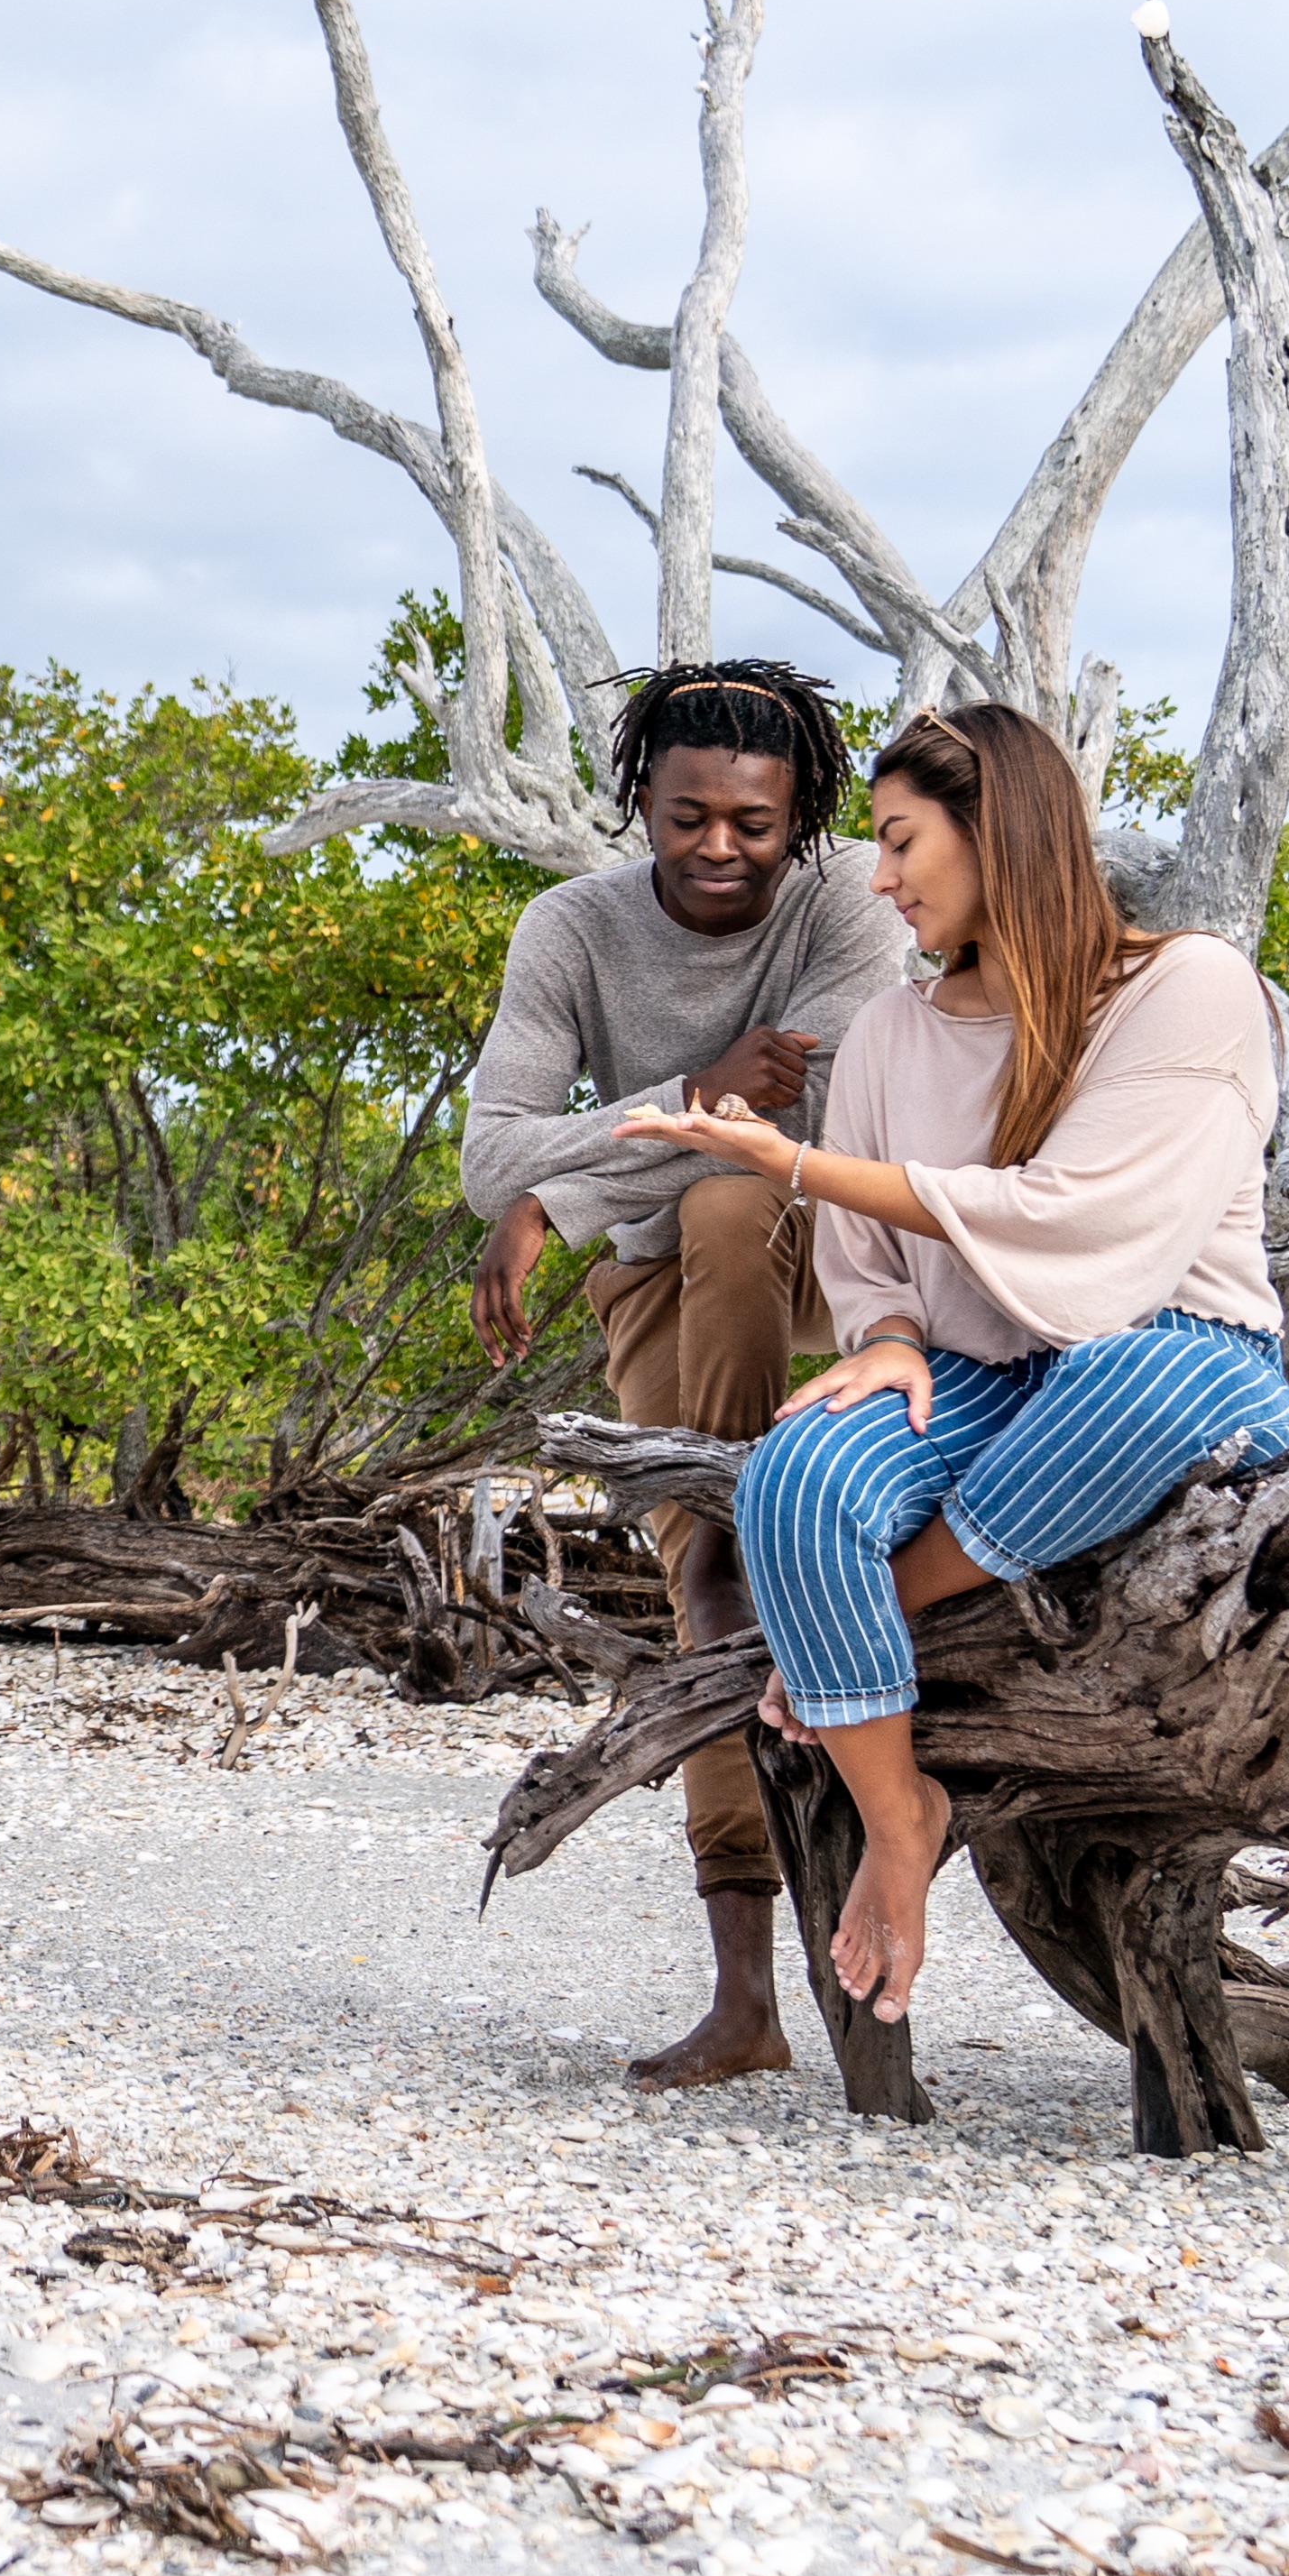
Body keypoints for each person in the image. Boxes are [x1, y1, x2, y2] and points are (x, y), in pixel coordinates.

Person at [605, 698, 1289, 2029]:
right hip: (978, 1380)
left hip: (1176, 1363)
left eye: (899, 840)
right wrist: (883, 1341)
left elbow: (1083, 1226)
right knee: (795, 1483)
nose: (878, 878)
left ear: (1000, 834)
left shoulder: (1190, 987)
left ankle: (870, 1633)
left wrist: (793, 1161)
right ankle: (899, 1814)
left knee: (1128, 1385)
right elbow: (869, 1262)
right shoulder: (890, 1030)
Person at [459, 657, 916, 2088]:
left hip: (835, 1267)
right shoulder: (571, 929)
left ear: (806, 822)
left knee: (733, 1197)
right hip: (662, 1275)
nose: (721, 849)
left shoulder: (849, 912)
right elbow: (490, 1156)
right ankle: (748, 2003)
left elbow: (830, 1121)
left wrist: (580, 1184)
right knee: (710, 1605)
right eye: (687, 817)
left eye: (756, 825)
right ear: (639, 804)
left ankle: (740, 1513)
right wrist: (695, 1093)